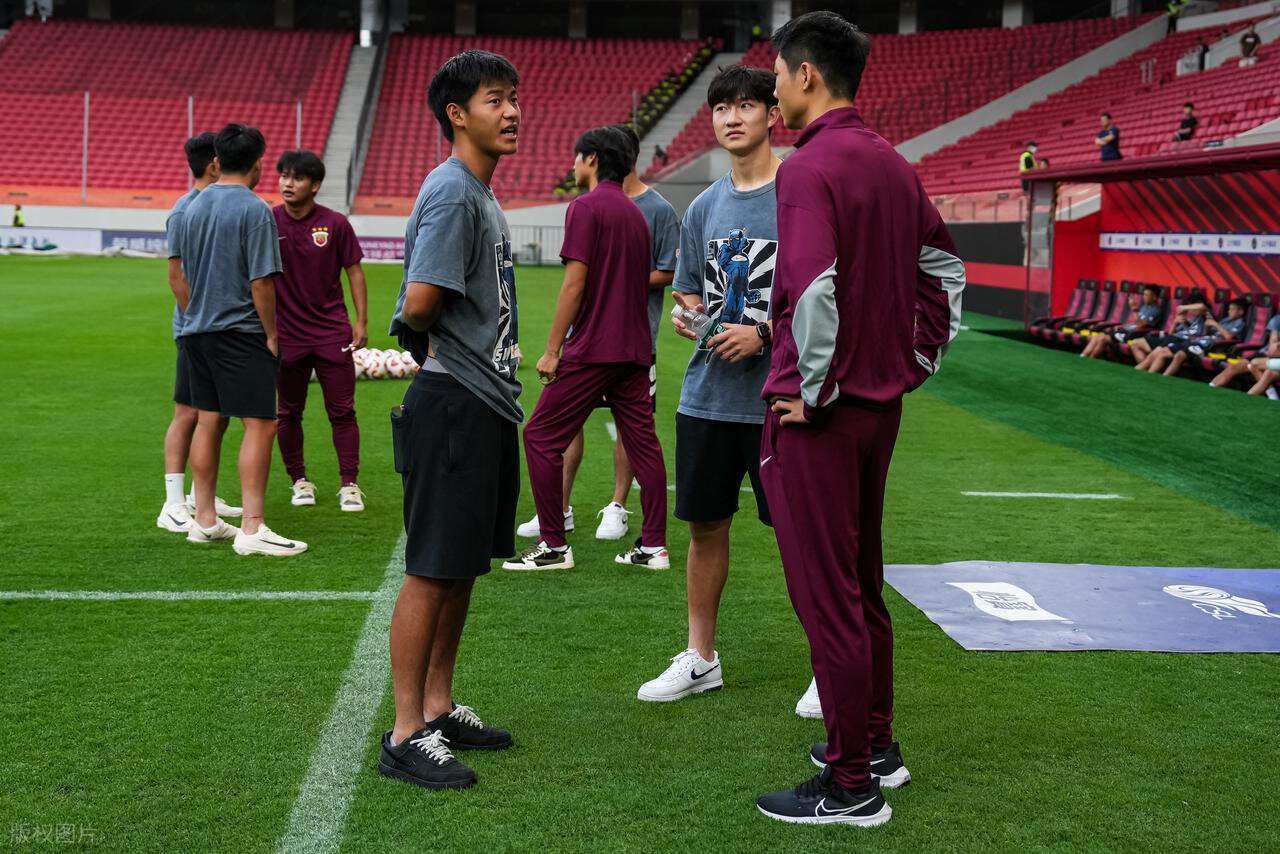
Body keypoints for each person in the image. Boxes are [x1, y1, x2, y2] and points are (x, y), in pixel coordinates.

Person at [755, 11, 964, 827]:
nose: (772, 89)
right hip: (878, 407)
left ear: (806, 74)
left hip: (823, 413)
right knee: (861, 582)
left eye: (777, 74)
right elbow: (944, 271)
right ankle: (875, 747)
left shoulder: (808, 166)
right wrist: (914, 360)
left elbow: (812, 286)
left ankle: (851, 787)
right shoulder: (894, 164)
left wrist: (812, 387)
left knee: (829, 595)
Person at [379, 49, 522, 792]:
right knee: (433, 568)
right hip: (454, 402)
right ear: (457, 114)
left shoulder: (478, 191)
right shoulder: (453, 193)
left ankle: (437, 707)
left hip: (484, 401)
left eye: (513, 97)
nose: (512, 111)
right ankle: (406, 733)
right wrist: (415, 336)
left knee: (460, 566)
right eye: (496, 99)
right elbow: (420, 300)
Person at [632, 64, 791, 704]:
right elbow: (691, 293)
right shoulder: (702, 207)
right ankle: (701, 657)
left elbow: (827, 295)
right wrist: (690, 318)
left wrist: (765, 334)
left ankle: (828, 665)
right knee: (704, 528)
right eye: (722, 107)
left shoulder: (801, 195)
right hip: (708, 397)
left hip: (783, 399)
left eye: (746, 105)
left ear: (772, 115)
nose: (732, 117)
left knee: (801, 539)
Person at [504, 126, 669, 571]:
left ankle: (554, 545)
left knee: (539, 436)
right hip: (636, 349)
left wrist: (552, 348)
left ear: (592, 159)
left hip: (595, 346)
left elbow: (574, 284)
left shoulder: (585, 206)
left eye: (577, 157)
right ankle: (654, 546)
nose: (573, 165)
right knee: (644, 445)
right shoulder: (635, 214)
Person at [179, 123, 306, 557]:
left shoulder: (193, 206)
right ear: (258, 163)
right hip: (240, 331)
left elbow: (182, 272)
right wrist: (271, 333)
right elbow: (262, 281)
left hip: (197, 331)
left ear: (217, 160)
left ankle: (204, 519)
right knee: (261, 423)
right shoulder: (255, 210)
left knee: (209, 420)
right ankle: (252, 527)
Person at [272, 150, 370, 513]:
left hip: (332, 333)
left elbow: (354, 272)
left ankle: (350, 485)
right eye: (284, 176)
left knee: (342, 412)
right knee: (288, 413)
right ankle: (299, 481)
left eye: (297, 178)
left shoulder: (336, 224)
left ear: (314, 185)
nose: (287, 183)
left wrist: (361, 321)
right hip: (287, 335)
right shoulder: (268, 222)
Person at [157, 132, 242, 533]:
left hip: (218, 327)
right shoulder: (185, 210)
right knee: (188, 412)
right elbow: (176, 276)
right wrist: (198, 321)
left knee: (217, 413)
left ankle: (198, 495)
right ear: (214, 165)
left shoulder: (216, 205)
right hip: (197, 329)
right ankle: (172, 502)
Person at [1148, 297, 1247, 377]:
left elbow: (1229, 337)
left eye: (1232, 309)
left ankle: (1164, 377)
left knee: (1179, 355)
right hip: (1198, 342)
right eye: (1229, 309)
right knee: (1163, 351)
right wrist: (1208, 328)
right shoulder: (1225, 320)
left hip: (1210, 347)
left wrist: (1215, 324)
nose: (1229, 311)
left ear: (1241, 312)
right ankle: (1150, 375)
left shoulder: (1240, 323)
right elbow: (1206, 334)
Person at [1081, 285, 1162, 359]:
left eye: (1146, 295)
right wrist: (1124, 326)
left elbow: (1142, 325)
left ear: (1154, 297)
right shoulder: (1144, 307)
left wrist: (1134, 310)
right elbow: (1136, 322)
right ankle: (1083, 356)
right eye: (1143, 294)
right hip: (1126, 331)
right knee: (1098, 336)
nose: (1144, 297)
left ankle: (1089, 360)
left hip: (1133, 335)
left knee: (1102, 338)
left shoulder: (1156, 310)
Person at [1211, 312, 1280, 397]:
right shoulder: (1277, 319)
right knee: (1235, 366)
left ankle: (1271, 397)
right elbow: (1273, 347)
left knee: (1263, 370)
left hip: (1275, 359)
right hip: (1266, 354)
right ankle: (1210, 388)